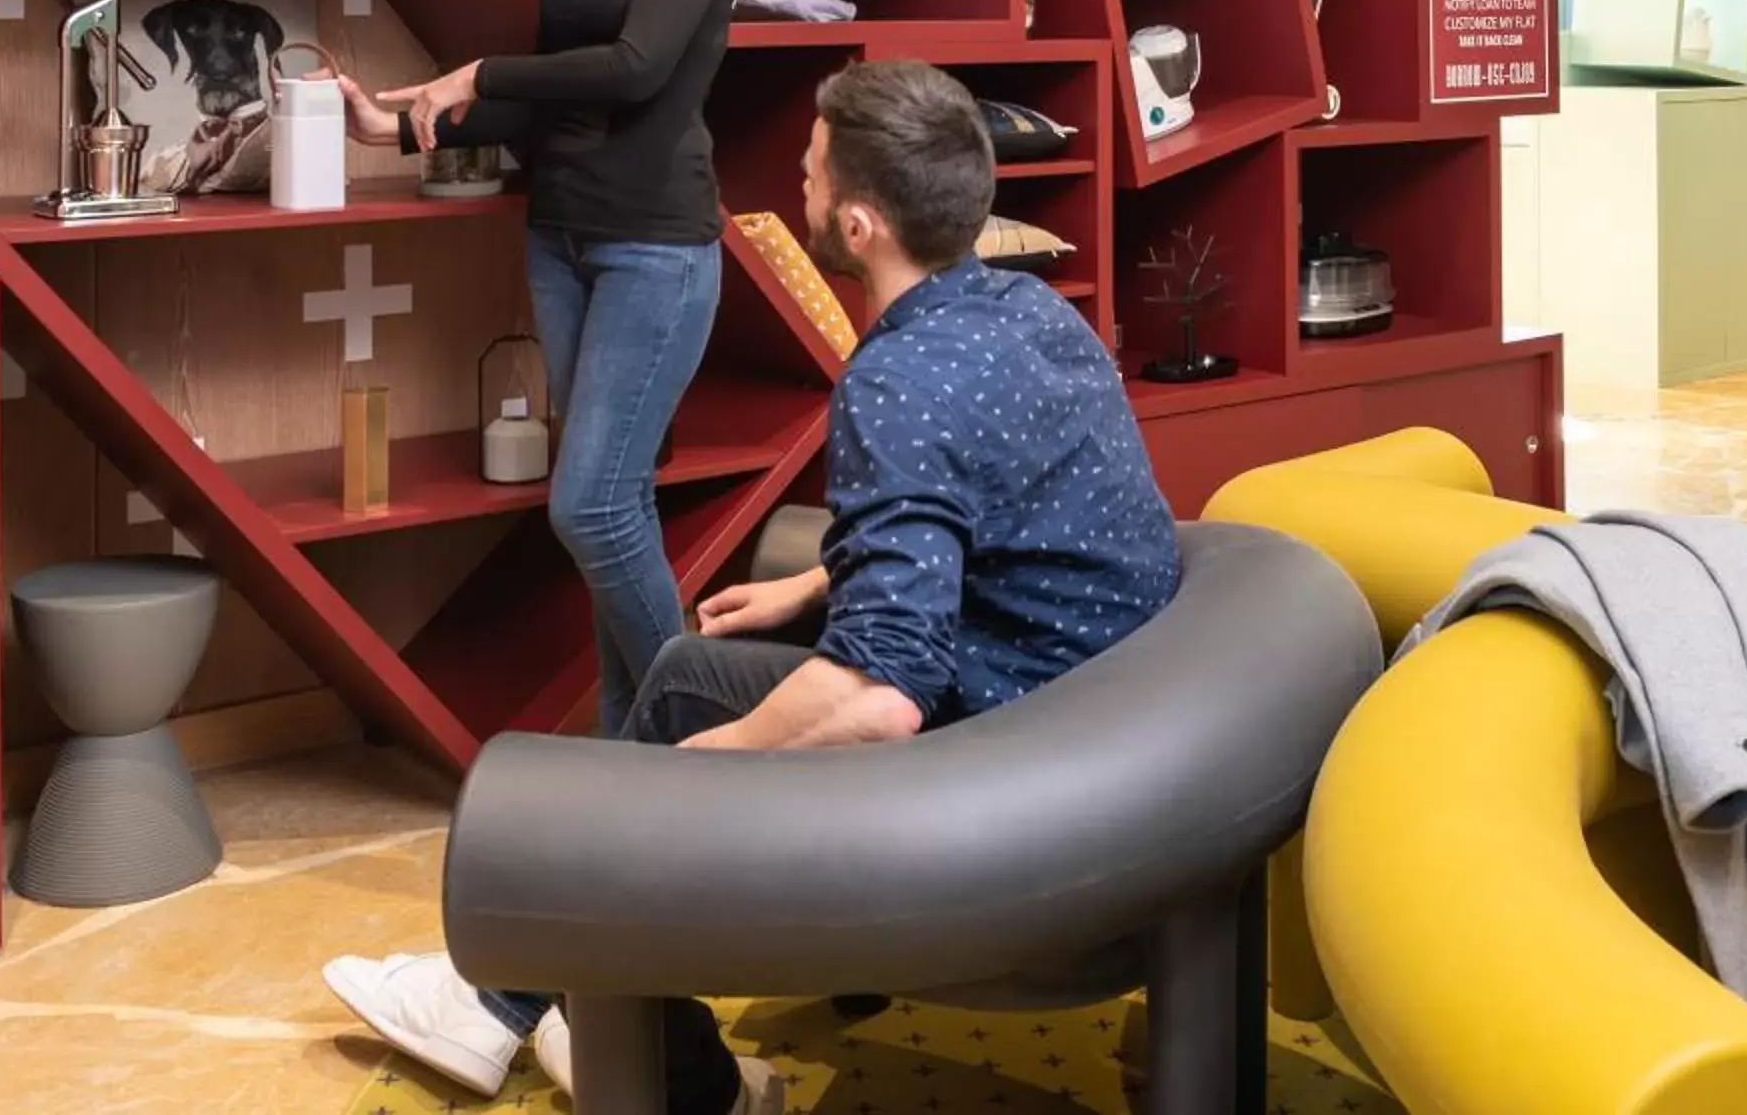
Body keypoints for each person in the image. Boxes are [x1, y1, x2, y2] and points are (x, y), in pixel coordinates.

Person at [325, 60, 1184, 1115]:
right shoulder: (1028, 311)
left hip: (1013, 757)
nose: (800, 181)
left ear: (861, 225)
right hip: (1106, 715)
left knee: (667, 738)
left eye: (815, 173)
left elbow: (880, 698)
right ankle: (513, 1009)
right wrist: (821, 582)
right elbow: (990, 511)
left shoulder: (896, 381)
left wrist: (698, 778)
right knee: (689, 671)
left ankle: (616, 1052)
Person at [338, 0, 740, 740]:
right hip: (561, 236)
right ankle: (630, 756)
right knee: (620, 506)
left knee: (591, 506)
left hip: (656, 243)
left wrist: (472, 69)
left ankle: (709, 741)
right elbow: (556, 93)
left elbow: (637, 66)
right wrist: (413, 132)